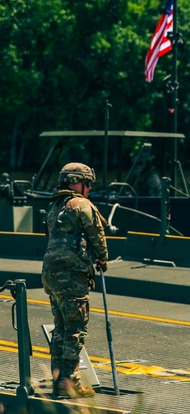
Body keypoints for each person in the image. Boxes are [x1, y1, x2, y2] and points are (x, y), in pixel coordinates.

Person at [42, 163, 109, 398]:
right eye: (86, 183)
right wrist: (102, 258)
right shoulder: (81, 205)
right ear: (74, 182)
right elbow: (97, 234)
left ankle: (58, 381)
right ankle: (70, 385)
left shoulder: (54, 206)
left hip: (51, 275)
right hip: (72, 275)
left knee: (60, 329)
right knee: (75, 330)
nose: (89, 188)